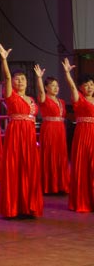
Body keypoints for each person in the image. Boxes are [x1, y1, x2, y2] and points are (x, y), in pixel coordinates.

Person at [0, 44, 43, 218]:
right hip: (16, 136)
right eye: (17, 79)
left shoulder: (31, 99)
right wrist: (4, 60)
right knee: (15, 168)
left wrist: (39, 79)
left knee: (29, 169)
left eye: (23, 79)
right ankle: (14, 206)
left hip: (29, 138)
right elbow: (7, 78)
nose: (20, 81)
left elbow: (42, 96)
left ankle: (28, 206)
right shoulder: (11, 96)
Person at [62, 58, 94, 212]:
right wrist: (68, 74)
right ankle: (84, 200)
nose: (90, 87)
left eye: (92, 84)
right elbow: (72, 87)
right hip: (84, 135)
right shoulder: (79, 99)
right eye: (86, 85)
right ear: (81, 87)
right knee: (84, 167)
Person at [35, 66, 70, 195]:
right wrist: (39, 78)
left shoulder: (62, 101)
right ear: (46, 87)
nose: (56, 88)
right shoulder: (44, 99)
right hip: (49, 129)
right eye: (53, 85)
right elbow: (40, 91)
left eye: (57, 86)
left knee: (61, 156)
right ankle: (49, 186)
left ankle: (61, 185)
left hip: (60, 129)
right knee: (50, 155)